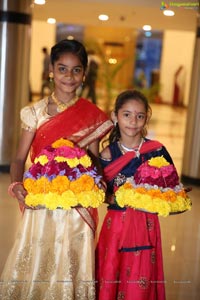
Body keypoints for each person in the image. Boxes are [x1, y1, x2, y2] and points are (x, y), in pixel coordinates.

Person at [0, 39, 113, 299]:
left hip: (78, 207)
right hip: (41, 201)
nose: (69, 76)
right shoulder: (34, 113)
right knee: (41, 259)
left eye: (76, 70)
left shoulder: (92, 114)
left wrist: (100, 183)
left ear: (84, 73)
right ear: (51, 70)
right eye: (62, 68)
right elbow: (19, 159)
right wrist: (16, 185)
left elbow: (94, 160)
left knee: (71, 266)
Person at [96, 89, 177, 300]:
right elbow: (100, 193)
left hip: (146, 225)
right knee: (112, 274)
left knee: (141, 279)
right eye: (127, 115)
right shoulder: (107, 155)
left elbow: (171, 185)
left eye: (140, 116)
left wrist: (168, 197)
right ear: (115, 116)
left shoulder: (156, 151)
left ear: (146, 118)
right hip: (117, 228)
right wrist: (115, 198)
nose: (133, 121)